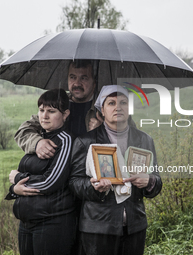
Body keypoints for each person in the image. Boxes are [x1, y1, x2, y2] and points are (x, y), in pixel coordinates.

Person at [69, 85, 163, 255]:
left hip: (135, 227)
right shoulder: (85, 142)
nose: (118, 107)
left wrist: (149, 181)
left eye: (123, 103)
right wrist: (93, 187)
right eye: (111, 103)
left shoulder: (144, 140)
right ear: (101, 111)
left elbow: (156, 179)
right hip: (98, 228)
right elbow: (75, 182)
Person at [6, 89, 76, 255]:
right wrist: (14, 190)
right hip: (27, 222)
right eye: (41, 110)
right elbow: (29, 174)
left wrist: (18, 178)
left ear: (65, 114)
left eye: (51, 111)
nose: (44, 116)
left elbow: (50, 182)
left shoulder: (65, 140)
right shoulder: (38, 138)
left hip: (52, 223)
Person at [14, 59, 103, 159]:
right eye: (72, 77)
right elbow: (23, 131)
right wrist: (37, 143)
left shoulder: (103, 108)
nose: (77, 83)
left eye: (84, 78)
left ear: (94, 83)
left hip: (85, 168)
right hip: (56, 166)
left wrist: (100, 132)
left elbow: (117, 142)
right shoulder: (58, 103)